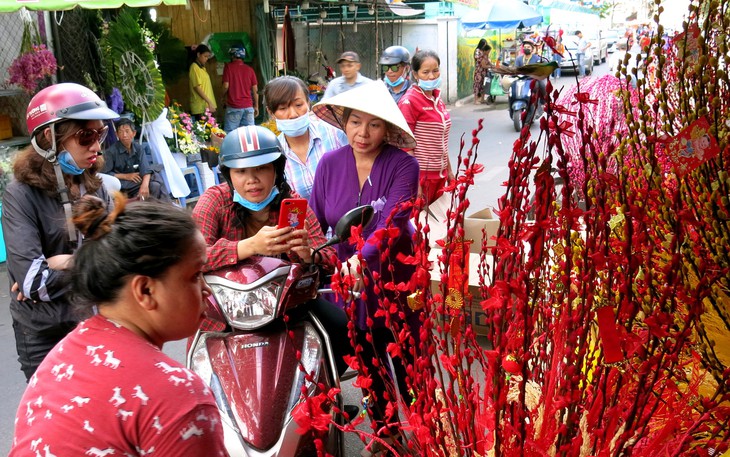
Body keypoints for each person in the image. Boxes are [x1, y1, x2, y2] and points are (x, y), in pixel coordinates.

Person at [9, 194, 228, 456]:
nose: (207, 290)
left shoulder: (66, 354)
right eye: (195, 275)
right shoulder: (178, 396)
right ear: (145, 290)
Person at [191, 125, 355, 381]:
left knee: (344, 331)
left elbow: (331, 259)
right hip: (225, 312)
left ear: (276, 171)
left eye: (261, 169)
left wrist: (308, 253)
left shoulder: (292, 205)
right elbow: (191, 257)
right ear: (228, 175)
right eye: (241, 171)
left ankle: (321, 397)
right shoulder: (214, 201)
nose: (252, 179)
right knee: (203, 374)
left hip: (285, 306)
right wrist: (250, 246)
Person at [311, 81, 421, 452]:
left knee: (408, 364)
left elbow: (393, 221)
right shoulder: (329, 164)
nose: (363, 132)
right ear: (343, 121)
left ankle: (426, 431)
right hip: (351, 284)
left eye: (374, 124)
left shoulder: (404, 164)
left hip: (397, 279)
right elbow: (315, 221)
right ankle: (386, 433)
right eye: (355, 121)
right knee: (369, 362)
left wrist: (362, 257)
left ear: (387, 129)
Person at [1, 83, 117, 381]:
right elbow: (34, 283)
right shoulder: (20, 195)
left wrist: (64, 261)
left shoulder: (96, 186)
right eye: (86, 136)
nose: (97, 146)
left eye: (100, 133)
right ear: (50, 137)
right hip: (43, 333)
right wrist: (91, 263)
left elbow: (117, 263)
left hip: (93, 321)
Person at [263, 75, 347, 200]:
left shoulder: (334, 133)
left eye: (298, 105)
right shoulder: (274, 155)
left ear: (308, 103)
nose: (293, 114)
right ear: (271, 113)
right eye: (282, 108)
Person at [398, 49, 452, 204]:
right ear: (415, 74)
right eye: (425, 72)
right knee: (422, 224)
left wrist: (449, 171)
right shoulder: (409, 101)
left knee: (442, 223)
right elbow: (406, 146)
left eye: (435, 71)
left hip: (440, 176)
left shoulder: (437, 99)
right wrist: (416, 183)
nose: (432, 76)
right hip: (422, 177)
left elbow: (441, 141)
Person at [101, 118, 171, 201]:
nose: (124, 135)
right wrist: (126, 176)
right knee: (155, 177)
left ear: (133, 133)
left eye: (127, 131)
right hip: (121, 183)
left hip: (136, 182)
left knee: (154, 184)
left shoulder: (138, 148)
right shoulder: (111, 152)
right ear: (116, 134)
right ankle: (167, 205)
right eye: (121, 132)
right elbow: (105, 174)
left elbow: (146, 169)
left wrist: (144, 186)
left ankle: (153, 209)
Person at [222, 46, 259, 132]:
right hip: (248, 108)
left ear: (232, 56)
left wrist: (222, 96)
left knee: (230, 134)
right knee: (249, 135)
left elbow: (225, 86)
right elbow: (255, 90)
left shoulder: (228, 67)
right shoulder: (250, 70)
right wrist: (256, 106)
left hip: (234, 107)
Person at [189, 44, 217, 121]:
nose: (207, 59)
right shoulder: (194, 67)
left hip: (207, 106)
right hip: (200, 107)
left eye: (208, 56)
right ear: (198, 54)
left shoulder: (202, 68)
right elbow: (197, 87)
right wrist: (209, 102)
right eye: (205, 56)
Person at [473, 38, 492, 104]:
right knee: (477, 85)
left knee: (483, 85)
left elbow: (488, 61)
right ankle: (475, 100)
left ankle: (482, 99)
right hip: (479, 71)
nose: (485, 46)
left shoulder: (485, 54)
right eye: (484, 45)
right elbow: (478, 59)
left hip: (484, 71)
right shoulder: (478, 51)